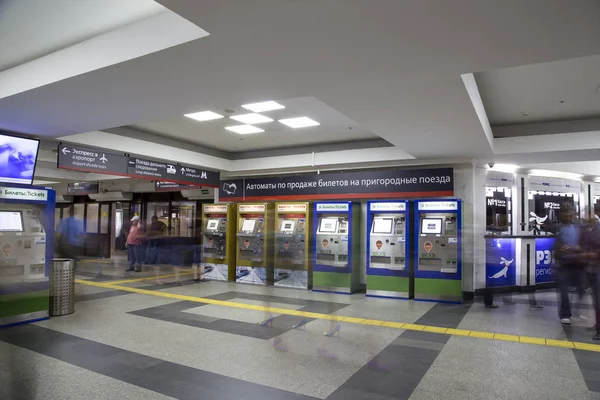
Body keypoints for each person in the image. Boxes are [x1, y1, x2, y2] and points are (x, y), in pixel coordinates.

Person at [554, 203, 585, 324]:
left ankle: (578, 310)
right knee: (563, 290)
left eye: (570, 215)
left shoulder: (579, 226)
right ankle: (565, 313)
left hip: (578, 261)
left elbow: (584, 240)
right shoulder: (557, 227)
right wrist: (560, 249)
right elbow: (555, 244)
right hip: (563, 263)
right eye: (566, 215)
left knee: (582, 288)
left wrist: (580, 248)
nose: (568, 218)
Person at [580, 215, 600, 340]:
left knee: (599, 300)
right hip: (590, 268)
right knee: (595, 300)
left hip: (598, 268)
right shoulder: (586, 230)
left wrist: (595, 254)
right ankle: (598, 323)